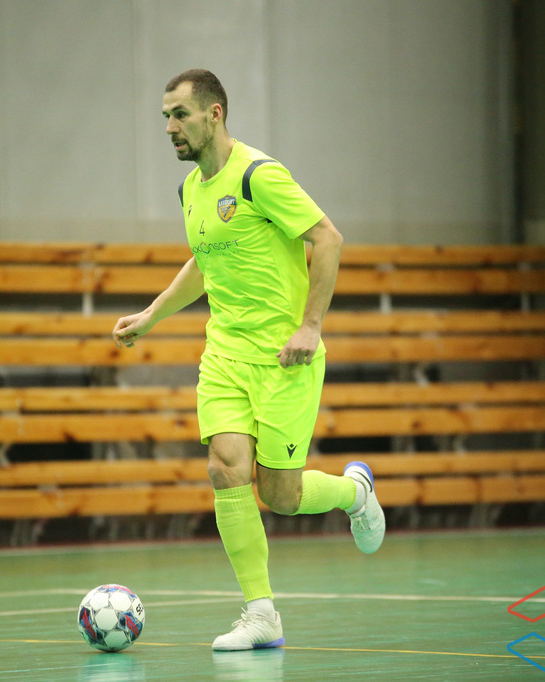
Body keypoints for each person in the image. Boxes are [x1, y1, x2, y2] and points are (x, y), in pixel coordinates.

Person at [112, 68, 384, 651]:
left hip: (285, 359)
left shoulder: (260, 176)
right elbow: (205, 260)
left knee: (281, 497)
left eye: (180, 114)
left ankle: (355, 492)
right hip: (225, 356)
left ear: (214, 114)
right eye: (165, 116)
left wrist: (311, 325)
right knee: (225, 468)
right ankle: (261, 614)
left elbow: (328, 239)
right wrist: (153, 313)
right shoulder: (190, 190)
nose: (169, 127)